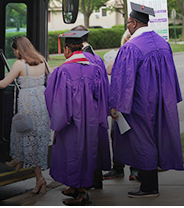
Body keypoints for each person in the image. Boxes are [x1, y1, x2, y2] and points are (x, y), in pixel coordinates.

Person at [109, 2, 183, 198]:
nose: (127, 26)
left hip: (140, 102)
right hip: (162, 101)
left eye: (128, 23)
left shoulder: (131, 47)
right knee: (157, 138)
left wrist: (115, 104)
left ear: (133, 23)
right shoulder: (163, 44)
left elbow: (122, 79)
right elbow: (172, 74)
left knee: (143, 141)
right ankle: (149, 181)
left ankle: (149, 187)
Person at [45, 31, 108, 206]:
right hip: (90, 122)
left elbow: (55, 99)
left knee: (72, 153)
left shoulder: (63, 71)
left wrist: (58, 121)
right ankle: (74, 187)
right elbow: (102, 96)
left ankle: (82, 193)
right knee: (86, 153)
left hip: (70, 122)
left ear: (67, 49)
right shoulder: (94, 68)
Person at [0, 36, 51, 195]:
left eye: (14, 49)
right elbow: (51, 78)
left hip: (27, 105)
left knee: (28, 138)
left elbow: (4, 83)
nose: (14, 52)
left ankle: (40, 179)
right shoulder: (42, 60)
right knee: (22, 131)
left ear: (18, 49)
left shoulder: (20, 64)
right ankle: (18, 160)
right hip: (41, 103)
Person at [70, 25, 111, 190]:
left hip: (86, 107)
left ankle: (86, 182)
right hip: (98, 105)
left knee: (85, 143)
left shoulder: (83, 58)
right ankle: (96, 179)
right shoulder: (97, 57)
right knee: (97, 142)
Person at [103, 29, 138, 181]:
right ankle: (118, 168)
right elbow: (109, 70)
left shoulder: (138, 56)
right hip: (119, 102)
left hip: (133, 103)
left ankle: (134, 169)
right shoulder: (119, 56)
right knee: (115, 136)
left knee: (133, 136)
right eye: (126, 39)